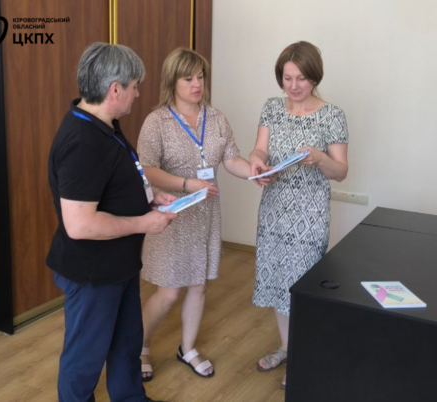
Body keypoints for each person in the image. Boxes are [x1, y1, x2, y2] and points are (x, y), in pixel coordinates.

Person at [46, 42, 178, 402]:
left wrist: (149, 197)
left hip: (118, 266)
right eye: (135, 86)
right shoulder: (82, 142)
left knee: (126, 345)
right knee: (84, 360)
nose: (138, 93)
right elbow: (80, 225)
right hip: (93, 273)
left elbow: (112, 184)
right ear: (114, 89)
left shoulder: (105, 126)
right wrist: (144, 223)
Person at [137, 48, 253, 381]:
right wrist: (186, 184)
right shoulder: (157, 121)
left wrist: (255, 172)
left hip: (205, 214)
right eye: (188, 78)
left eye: (200, 76)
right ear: (172, 81)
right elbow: (147, 169)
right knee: (169, 291)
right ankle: (140, 348)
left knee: (198, 286)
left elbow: (231, 159)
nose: (197, 84)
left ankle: (187, 348)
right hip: (171, 216)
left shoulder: (216, 118)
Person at [249, 41, 349, 389]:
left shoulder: (332, 115)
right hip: (274, 210)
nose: (293, 86)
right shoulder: (272, 108)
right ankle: (286, 347)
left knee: (301, 285)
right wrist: (257, 162)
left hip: (310, 214)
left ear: (315, 77)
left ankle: (303, 355)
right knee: (279, 281)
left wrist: (319, 158)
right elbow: (260, 149)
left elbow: (341, 172)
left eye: (301, 79)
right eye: (287, 78)